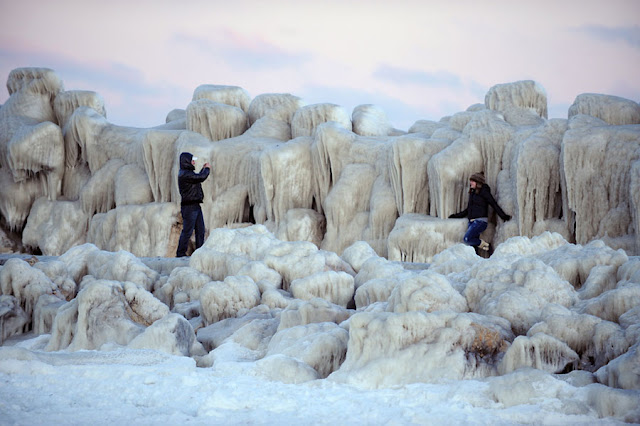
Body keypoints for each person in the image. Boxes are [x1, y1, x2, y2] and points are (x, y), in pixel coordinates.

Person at [448, 172, 511, 252]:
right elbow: (468, 210)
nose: (470, 183)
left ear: (478, 182)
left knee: (467, 239)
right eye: (471, 181)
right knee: (473, 247)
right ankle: (476, 260)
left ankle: (485, 244)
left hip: (480, 222)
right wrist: (456, 216)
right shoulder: (472, 193)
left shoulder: (484, 192)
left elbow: (493, 204)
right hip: (471, 222)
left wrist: (503, 216)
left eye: (472, 181)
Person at [176, 152, 211, 257]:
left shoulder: (187, 173)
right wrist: (207, 169)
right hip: (189, 207)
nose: (194, 162)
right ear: (187, 161)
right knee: (187, 231)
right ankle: (180, 253)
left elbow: (197, 177)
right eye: (192, 160)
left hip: (195, 206)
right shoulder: (184, 174)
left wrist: (202, 169)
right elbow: (200, 177)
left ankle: (200, 253)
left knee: (200, 230)